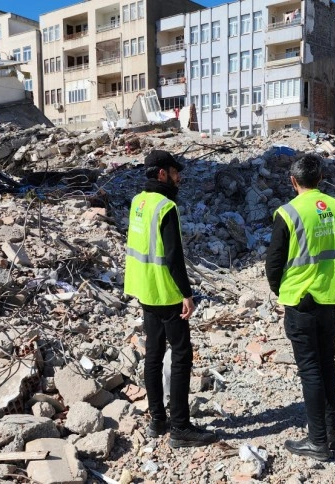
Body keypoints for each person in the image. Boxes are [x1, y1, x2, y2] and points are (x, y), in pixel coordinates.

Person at [124, 149, 218, 448]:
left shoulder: (139, 202)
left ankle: (156, 420)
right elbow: (173, 257)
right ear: (162, 174)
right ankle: (180, 428)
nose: (180, 176)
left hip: (143, 289)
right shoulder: (165, 207)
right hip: (165, 292)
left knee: (153, 354)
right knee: (181, 355)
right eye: (175, 171)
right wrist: (187, 294)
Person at [266, 154, 335, 461]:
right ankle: (329, 436)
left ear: (293, 181)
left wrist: (281, 290)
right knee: (327, 364)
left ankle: (317, 442)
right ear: (320, 179)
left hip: (301, 301)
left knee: (311, 371)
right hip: (329, 299)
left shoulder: (288, 212)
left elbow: (274, 262)